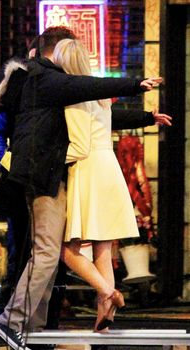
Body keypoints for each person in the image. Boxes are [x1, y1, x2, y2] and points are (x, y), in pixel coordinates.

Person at [0, 25, 168, 350]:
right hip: (49, 175)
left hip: (60, 175)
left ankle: (35, 324)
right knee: (55, 252)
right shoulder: (45, 78)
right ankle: (18, 321)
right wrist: (136, 85)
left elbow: (102, 110)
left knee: (54, 252)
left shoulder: (62, 89)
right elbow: (87, 100)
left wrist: (145, 115)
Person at [51, 38, 172, 332]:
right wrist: (147, 117)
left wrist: (47, 160)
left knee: (66, 248)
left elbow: (78, 147)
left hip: (87, 168)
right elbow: (113, 120)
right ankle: (105, 319)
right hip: (108, 167)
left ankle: (106, 291)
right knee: (104, 246)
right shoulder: (98, 93)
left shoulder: (73, 96)